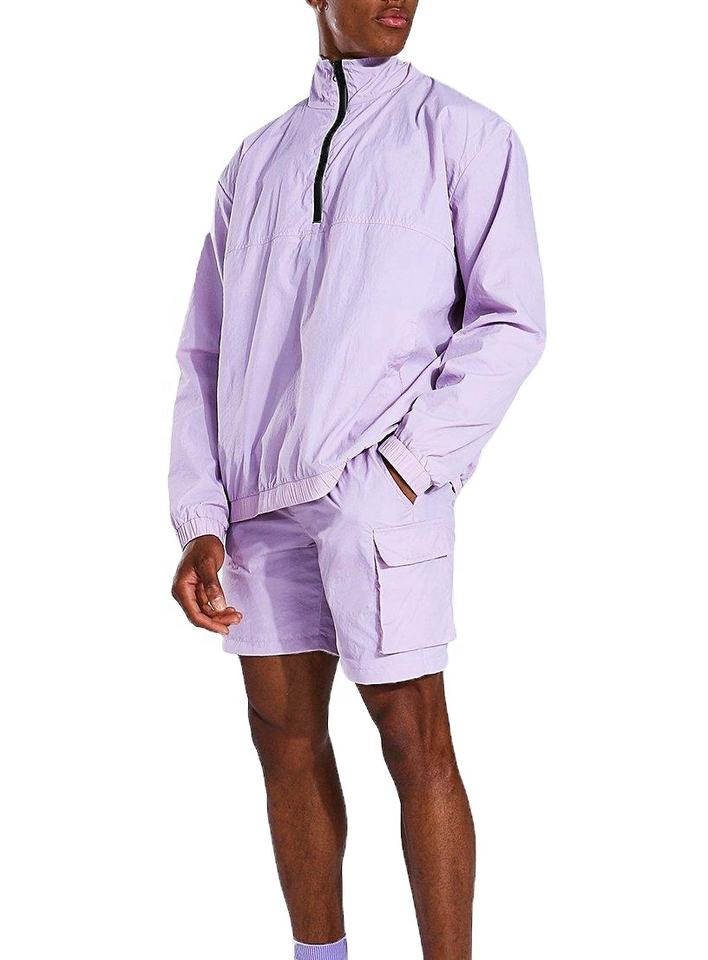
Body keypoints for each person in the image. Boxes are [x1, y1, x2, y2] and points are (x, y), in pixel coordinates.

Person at [169, 0, 545, 956]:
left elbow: (510, 322)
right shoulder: (254, 162)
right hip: (257, 507)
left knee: (414, 738)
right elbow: (205, 353)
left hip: (377, 494)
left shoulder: (464, 134)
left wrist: (407, 469)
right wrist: (200, 517)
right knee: (282, 740)